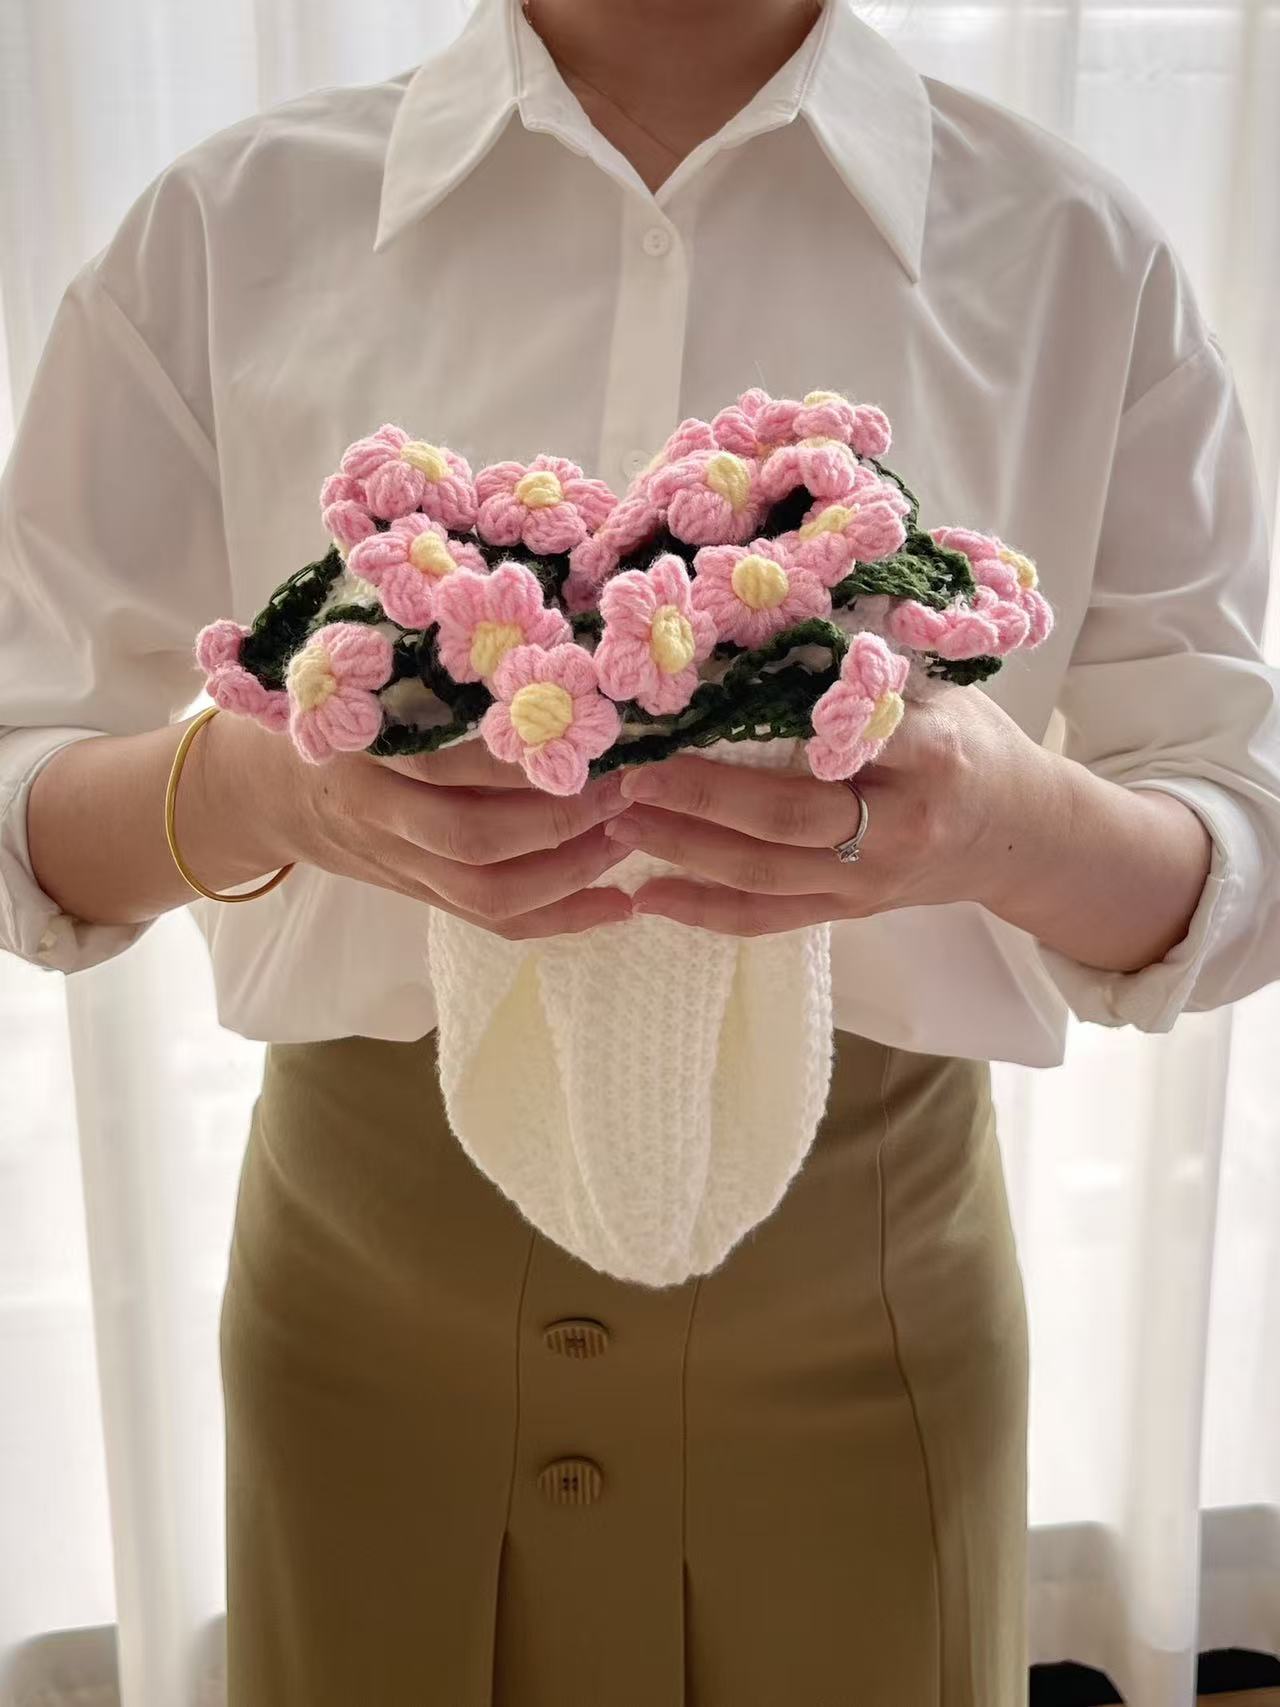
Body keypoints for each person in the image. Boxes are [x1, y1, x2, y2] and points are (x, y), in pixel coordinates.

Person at [1, 0, 1277, 1700]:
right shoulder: (231, 227)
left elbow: (1235, 846)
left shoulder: (1070, 252)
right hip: (365, 1326)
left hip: (868, 1313)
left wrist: (1002, 822)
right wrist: (264, 792)